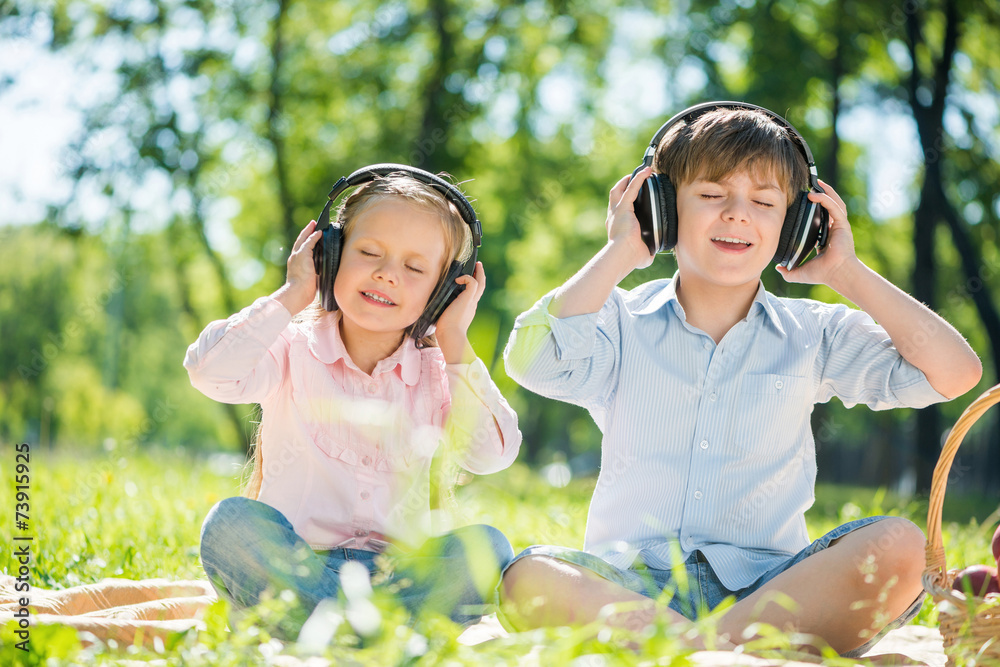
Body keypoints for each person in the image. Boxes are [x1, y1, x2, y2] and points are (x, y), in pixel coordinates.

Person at [499, 103, 982, 656]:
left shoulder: (813, 332)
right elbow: (529, 360)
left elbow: (955, 373)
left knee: (900, 545)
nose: (736, 215)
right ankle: (724, 652)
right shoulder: (616, 322)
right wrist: (619, 252)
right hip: (633, 590)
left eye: (764, 202)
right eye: (710, 195)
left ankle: (685, 650)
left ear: (797, 224)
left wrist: (844, 271)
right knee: (526, 575)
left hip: (774, 590)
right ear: (663, 211)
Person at [184, 168, 521, 635]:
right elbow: (210, 371)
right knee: (231, 525)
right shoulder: (290, 347)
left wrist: (455, 339)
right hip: (298, 563)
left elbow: (493, 454)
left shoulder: (439, 373)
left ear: (442, 292)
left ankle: (328, 630)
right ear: (331, 255)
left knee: (487, 548)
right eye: (368, 253)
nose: (387, 273)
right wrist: (293, 293)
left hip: (397, 580)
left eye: (415, 268)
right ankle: (369, 635)